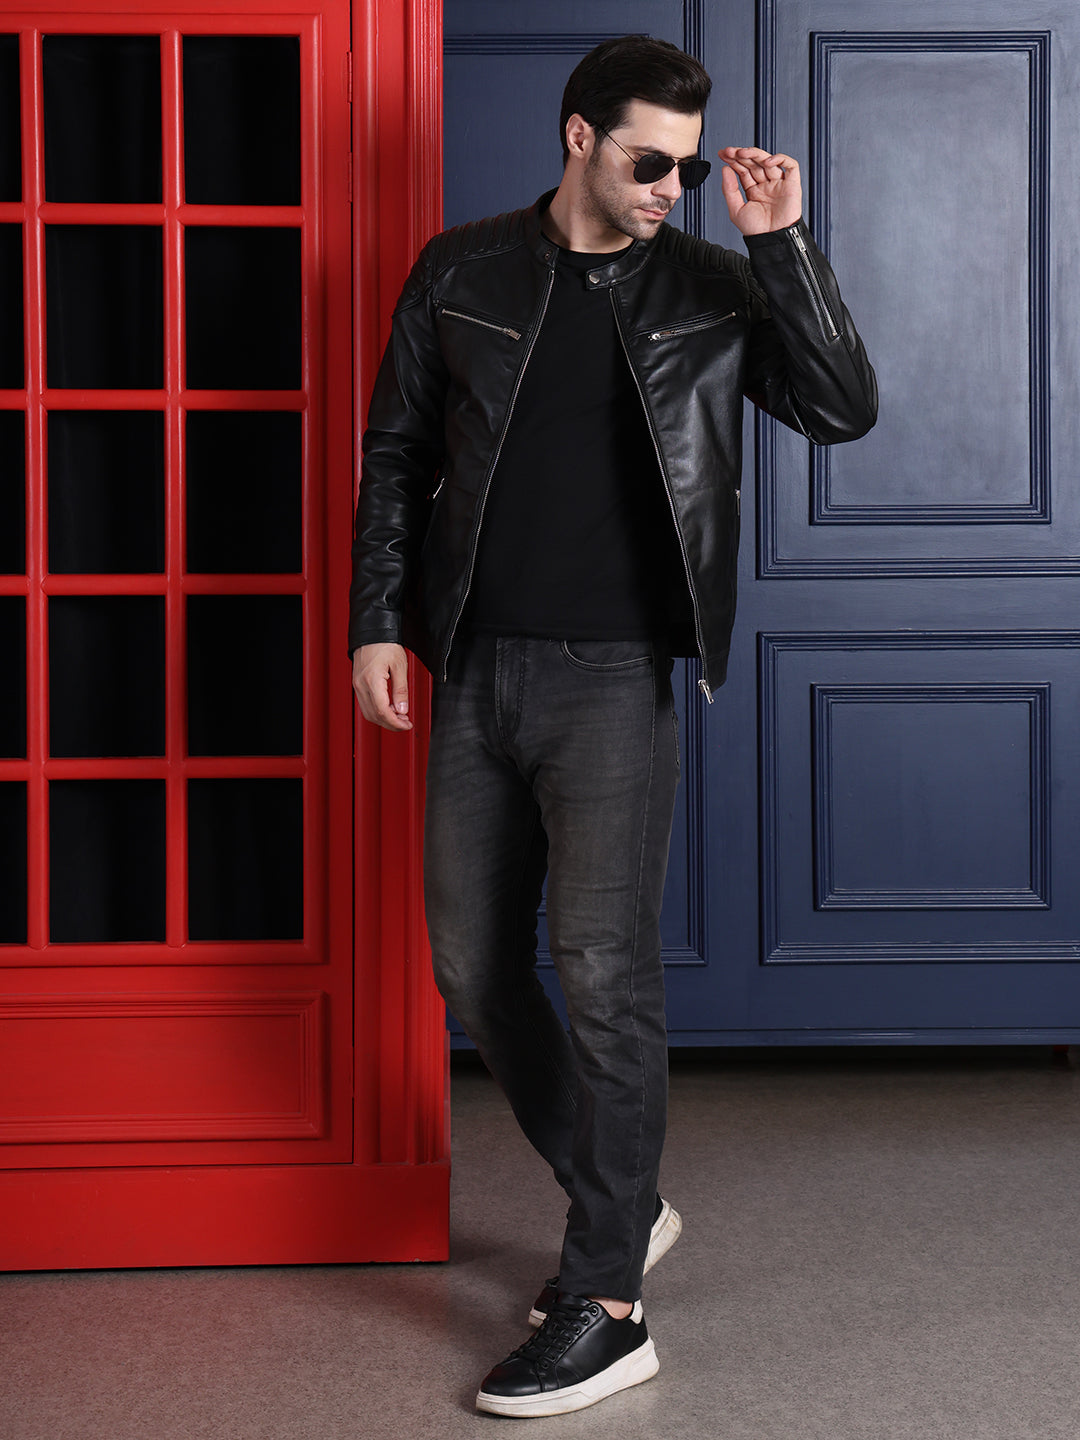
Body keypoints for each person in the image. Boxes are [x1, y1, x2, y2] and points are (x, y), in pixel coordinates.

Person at [349, 33, 876, 1418]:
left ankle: (609, 1301)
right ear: (579, 136)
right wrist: (377, 621)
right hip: (474, 665)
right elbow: (398, 452)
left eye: (688, 171)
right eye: (651, 162)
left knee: (604, 970)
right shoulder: (462, 269)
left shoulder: (711, 282)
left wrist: (781, 243)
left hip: (617, 674)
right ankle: (621, 1196)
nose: (670, 189)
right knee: (472, 964)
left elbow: (841, 408)